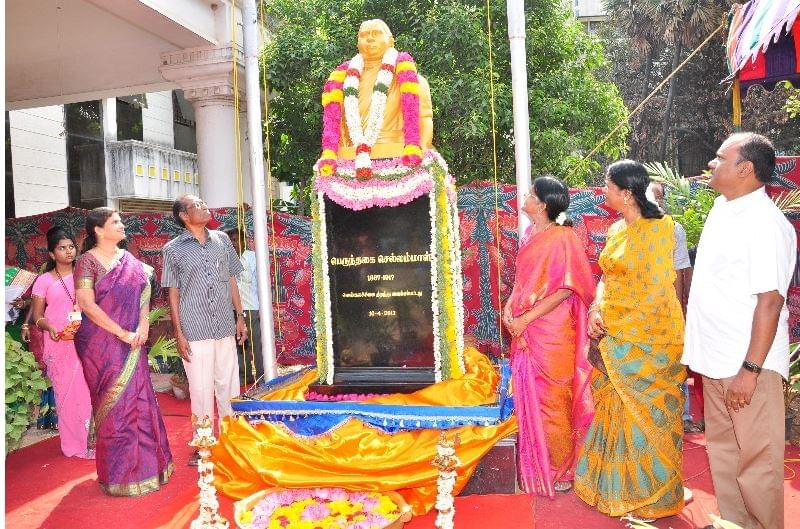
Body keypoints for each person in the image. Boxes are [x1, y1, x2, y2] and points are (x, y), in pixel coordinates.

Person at [682, 133, 795, 529]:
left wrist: (750, 370)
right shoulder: (721, 208)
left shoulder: (766, 224)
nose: (711, 164)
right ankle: (734, 524)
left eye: (720, 158)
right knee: (725, 454)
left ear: (745, 169)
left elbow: (770, 301)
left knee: (757, 462)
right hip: (715, 360)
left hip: (747, 365)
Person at [574, 160, 686, 520]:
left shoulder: (662, 229)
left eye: (607, 187)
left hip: (650, 340)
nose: (603, 193)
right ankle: (617, 490)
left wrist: (613, 323)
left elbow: (655, 292)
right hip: (614, 331)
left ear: (626, 193)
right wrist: (596, 310)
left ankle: (653, 497)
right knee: (617, 409)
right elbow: (607, 278)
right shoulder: (616, 229)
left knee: (648, 417)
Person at [502, 176, 595, 497]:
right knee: (528, 396)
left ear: (542, 205)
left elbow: (567, 288)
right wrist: (510, 307)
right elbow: (522, 281)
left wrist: (526, 318)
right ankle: (536, 465)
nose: (525, 197)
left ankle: (561, 468)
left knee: (555, 401)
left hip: (552, 331)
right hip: (525, 327)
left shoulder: (564, 237)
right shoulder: (530, 234)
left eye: (530, 194)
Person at [74, 207, 173, 496]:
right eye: (115, 222)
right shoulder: (87, 262)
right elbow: (86, 304)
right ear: (98, 230)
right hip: (101, 345)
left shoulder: (130, 261)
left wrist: (143, 327)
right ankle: (119, 475)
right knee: (116, 407)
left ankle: (148, 470)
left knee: (139, 401)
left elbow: (143, 295)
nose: (121, 225)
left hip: (133, 342)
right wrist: (122, 333)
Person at [162, 195, 248, 466]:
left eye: (203, 203)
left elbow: (231, 279)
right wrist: (179, 332)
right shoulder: (173, 249)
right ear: (184, 216)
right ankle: (203, 444)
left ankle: (232, 441)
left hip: (224, 325)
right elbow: (173, 293)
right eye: (197, 205)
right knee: (200, 390)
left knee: (229, 385)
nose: (204, 207)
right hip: (194, 329)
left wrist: (240, 316)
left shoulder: (222, 240)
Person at [30, 228, 94, 458]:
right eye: (62, 248)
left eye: (71, 247)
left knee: (88, 391)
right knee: (66, 394)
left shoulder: (85, 275)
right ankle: (74, 444)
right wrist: (49, 328)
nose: (68, 251)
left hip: (86, 339)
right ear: (51, 253)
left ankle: (92, 440)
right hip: (59, 342)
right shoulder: (44, 281)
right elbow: (37, 316)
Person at [334, 18, 433, 161]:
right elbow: (334, 125)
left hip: (397, 154)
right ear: (357, 43)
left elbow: (424, 118)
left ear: (391, 41)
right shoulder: (341, 83)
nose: (369, 38)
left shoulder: (412, 81)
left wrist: (422, 150)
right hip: (350, 157)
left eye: (376, 33)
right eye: (364, 35)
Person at [647, 182, 702, 434]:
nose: (654, 201)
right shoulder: (625, 229)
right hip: (636, 309)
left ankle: (683, 415)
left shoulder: (673, 229)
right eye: (650, 195)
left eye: (658, 197)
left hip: (666, 306)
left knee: (673, 362)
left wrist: (678, 310)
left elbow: (680, 271)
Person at [226, 228, 264, 386]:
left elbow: (261, 282)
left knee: (257, 344)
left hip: (251, 307)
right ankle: (244, 376)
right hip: (233, 309)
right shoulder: (225, 259)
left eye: (236, 240)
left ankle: (263, 377)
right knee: (239, 344)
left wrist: (262, 308)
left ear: (244, 241)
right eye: (231, 241)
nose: (234, 243)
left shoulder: (253, 258)